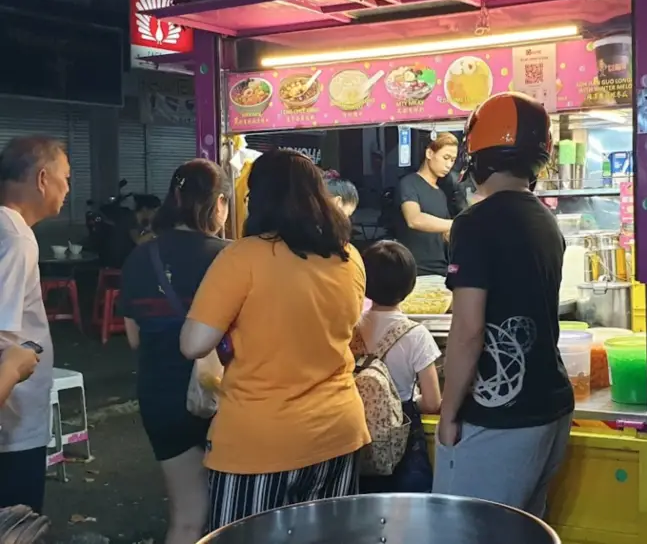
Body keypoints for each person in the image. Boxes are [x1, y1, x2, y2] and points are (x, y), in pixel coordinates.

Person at [180, 149, 370, 530]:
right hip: (338, 432)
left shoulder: (244, 256)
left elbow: (193, 343)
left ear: (259, 199)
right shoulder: (347, 256)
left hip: (260, 441)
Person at [434, 93, 573, 518]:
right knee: (524, 529)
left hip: (500, 418)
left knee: (464, 530)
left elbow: (468, 330)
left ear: (476, 155)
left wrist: (449, 411)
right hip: (550, 406)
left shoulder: (474, 223)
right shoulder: (545, 219)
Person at [118, 159, 231, 544]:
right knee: (234, 514)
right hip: (224, 396)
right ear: (218, 204)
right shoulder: (230, 257)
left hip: (161, 396)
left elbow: (134, 339)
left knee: (186, 519)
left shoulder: (139, 257)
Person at [0, 136, 70, 514]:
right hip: (12, 426)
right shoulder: (15, 238)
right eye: (66, 178)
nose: (68, 188)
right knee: (18, 525)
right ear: (42, 179)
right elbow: (2, 338)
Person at [357, 240, 441, 493]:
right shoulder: (416, 334)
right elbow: (432, 402)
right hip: (401, 439)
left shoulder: (350, 328)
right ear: (411, 284)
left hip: (353, 430)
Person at [397, 133, 458, 276]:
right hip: (417, 269)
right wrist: (457, 223)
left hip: (442, 269)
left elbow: (445, 235)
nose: (449, 165)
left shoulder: (441, 193)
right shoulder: (409, 183)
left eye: (453, 160)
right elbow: (414, 219)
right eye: (446, 158)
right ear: (430, 153)